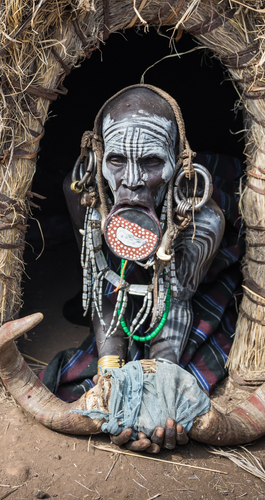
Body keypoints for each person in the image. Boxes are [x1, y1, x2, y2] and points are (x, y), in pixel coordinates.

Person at [44, 84, 243, 453]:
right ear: (99, 160)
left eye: (152, 162)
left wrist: (157, 390)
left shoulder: (205, 221)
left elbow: (177, 298)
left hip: (178, 272)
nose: (133, 180)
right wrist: (110, 379)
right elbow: (99, 276)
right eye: (117, 161)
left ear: (177, 165)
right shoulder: (82, 195)